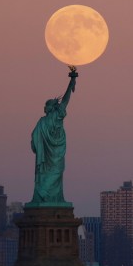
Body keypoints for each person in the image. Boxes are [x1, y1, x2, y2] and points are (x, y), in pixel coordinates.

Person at [28, 66, 77, 205]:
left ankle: (51, 199)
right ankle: (49, 199)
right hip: (52, 156)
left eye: (46, 105)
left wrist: (71, 81)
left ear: (51, 107)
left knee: (51, 175)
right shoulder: (45, 120)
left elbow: (66, 100)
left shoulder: (50, 118)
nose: (44, 108)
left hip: (51, 155)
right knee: (53, 175)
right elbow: (34, 139)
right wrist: (72, 81)